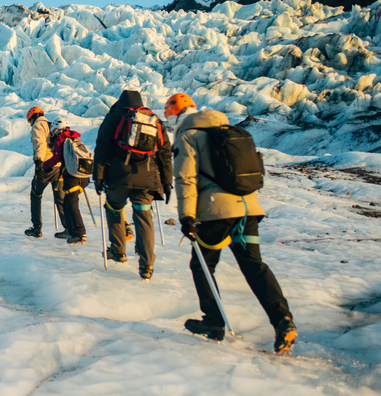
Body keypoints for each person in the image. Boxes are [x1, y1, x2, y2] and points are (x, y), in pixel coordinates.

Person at [165, 92, 297, 354]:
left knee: (202, 265)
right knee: (254, 266)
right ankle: (283, 320)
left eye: (168, 116)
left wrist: (186, 216)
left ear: (175, 115)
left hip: (216, 210)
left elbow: (185, 178)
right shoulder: (227, 129)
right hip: (248, 209)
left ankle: (214, 322)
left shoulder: (188, 135)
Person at [93, 90, 172, 280]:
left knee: (114, 208)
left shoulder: (114, 117)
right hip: (147, 178)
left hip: (119, 176)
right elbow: (165, 153)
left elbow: (102, 148)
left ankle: (118, 251)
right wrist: (167, 182)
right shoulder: (153, 119)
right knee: (143, 216)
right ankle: (146, 265)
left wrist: (98, 177)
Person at [42, 118, 89, 245]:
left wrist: (45, 165)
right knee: (68, 203)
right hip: (84, 177)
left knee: (72, 205)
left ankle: (79, 233)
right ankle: (71, 231)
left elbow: (56, 157)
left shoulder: (61, 139)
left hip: (71, 177)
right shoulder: (75, 139)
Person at [24, 106, 67, 238]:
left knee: (36, 193)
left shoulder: (38, 126)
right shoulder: (51, 125)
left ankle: (37, 228)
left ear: (33, 117)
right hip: (58, 165)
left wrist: (38, 162)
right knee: (60, 198)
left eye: (30, 120)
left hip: (46, 165)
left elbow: (39, 144)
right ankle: (69, 228)